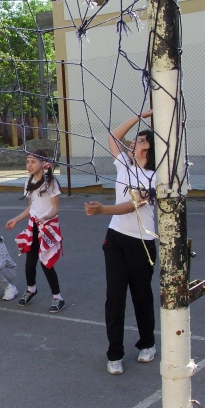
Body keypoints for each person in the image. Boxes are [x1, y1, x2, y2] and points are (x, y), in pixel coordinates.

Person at [84, 109, 156, 376]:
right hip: (115, 239)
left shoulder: (154, 178)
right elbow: (113, 136)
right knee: (114, 298)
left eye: (140, 140)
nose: (134, 142)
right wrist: (140, 115)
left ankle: (147, 343)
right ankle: (115, 354)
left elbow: (132, 205)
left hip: (142, 243)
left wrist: (103, 210)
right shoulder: (124, 164)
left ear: (148, 149)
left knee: (141, 296)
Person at [5, 150, 65, 313]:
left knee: (46, 262)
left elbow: (56, 208)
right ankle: (31, 289)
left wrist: (46, 217)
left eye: (33, 161)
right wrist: (16, 219)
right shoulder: (28, 182)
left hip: (48, 227)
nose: (29, 165)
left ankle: (58, 297)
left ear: (43, 163)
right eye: (27, 162)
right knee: (30, 262)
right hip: (34, 226)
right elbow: (31, 207)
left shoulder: (51, 182)